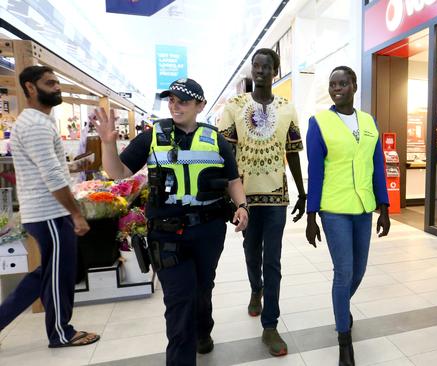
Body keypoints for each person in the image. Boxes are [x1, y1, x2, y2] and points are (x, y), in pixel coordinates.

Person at [92, 78, 248, 366]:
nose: (175, 106)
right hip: (166, 234)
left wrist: (241, 206)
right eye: (171, 100)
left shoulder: (216, 139)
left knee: (203, 288)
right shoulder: (152, 136)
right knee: (179, 302)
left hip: (208, 230)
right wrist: (108, 144)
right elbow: (118, 173)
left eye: (184, 101)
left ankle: (204, 331)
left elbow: (233, 180)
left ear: (200, 106)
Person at [0, 66, 99, 348]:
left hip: (46, 212)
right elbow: (52, 176)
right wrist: (76, 214)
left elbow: (49, 167)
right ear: (30, 88)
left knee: (45, 275)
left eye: (57, 82)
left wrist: (71, 166)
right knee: (59, 275)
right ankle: (61, 332)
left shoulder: (38, 122)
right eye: (50, 83)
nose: (56, 87)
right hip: (49, 214)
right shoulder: (35, 125)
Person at [218, 48, 305, 356]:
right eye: (257, 66)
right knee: (251, 251)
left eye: (267, 66)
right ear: (251, 70)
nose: (261, 71)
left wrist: (302, 192)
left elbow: (292, 151)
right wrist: (227, 197)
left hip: (276, 196)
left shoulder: (287, 108)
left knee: (274, 260)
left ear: (275, 72)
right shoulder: (234, 106)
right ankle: (256, 288)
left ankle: (271, 325)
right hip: (244, 198)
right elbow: (225, 154)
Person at [305, 66, 391, 366]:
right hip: (334, 210)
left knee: (359, 271)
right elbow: (314, 172)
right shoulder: (319, 122)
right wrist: (311, 216)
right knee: (343, 273)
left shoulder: (368, 121)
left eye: (343, 83)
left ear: (354, 86)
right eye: (332, 84)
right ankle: (344, 341)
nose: (337, 88)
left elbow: (376, 166)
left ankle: (342, 306)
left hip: (363, 209)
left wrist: (384, 207)